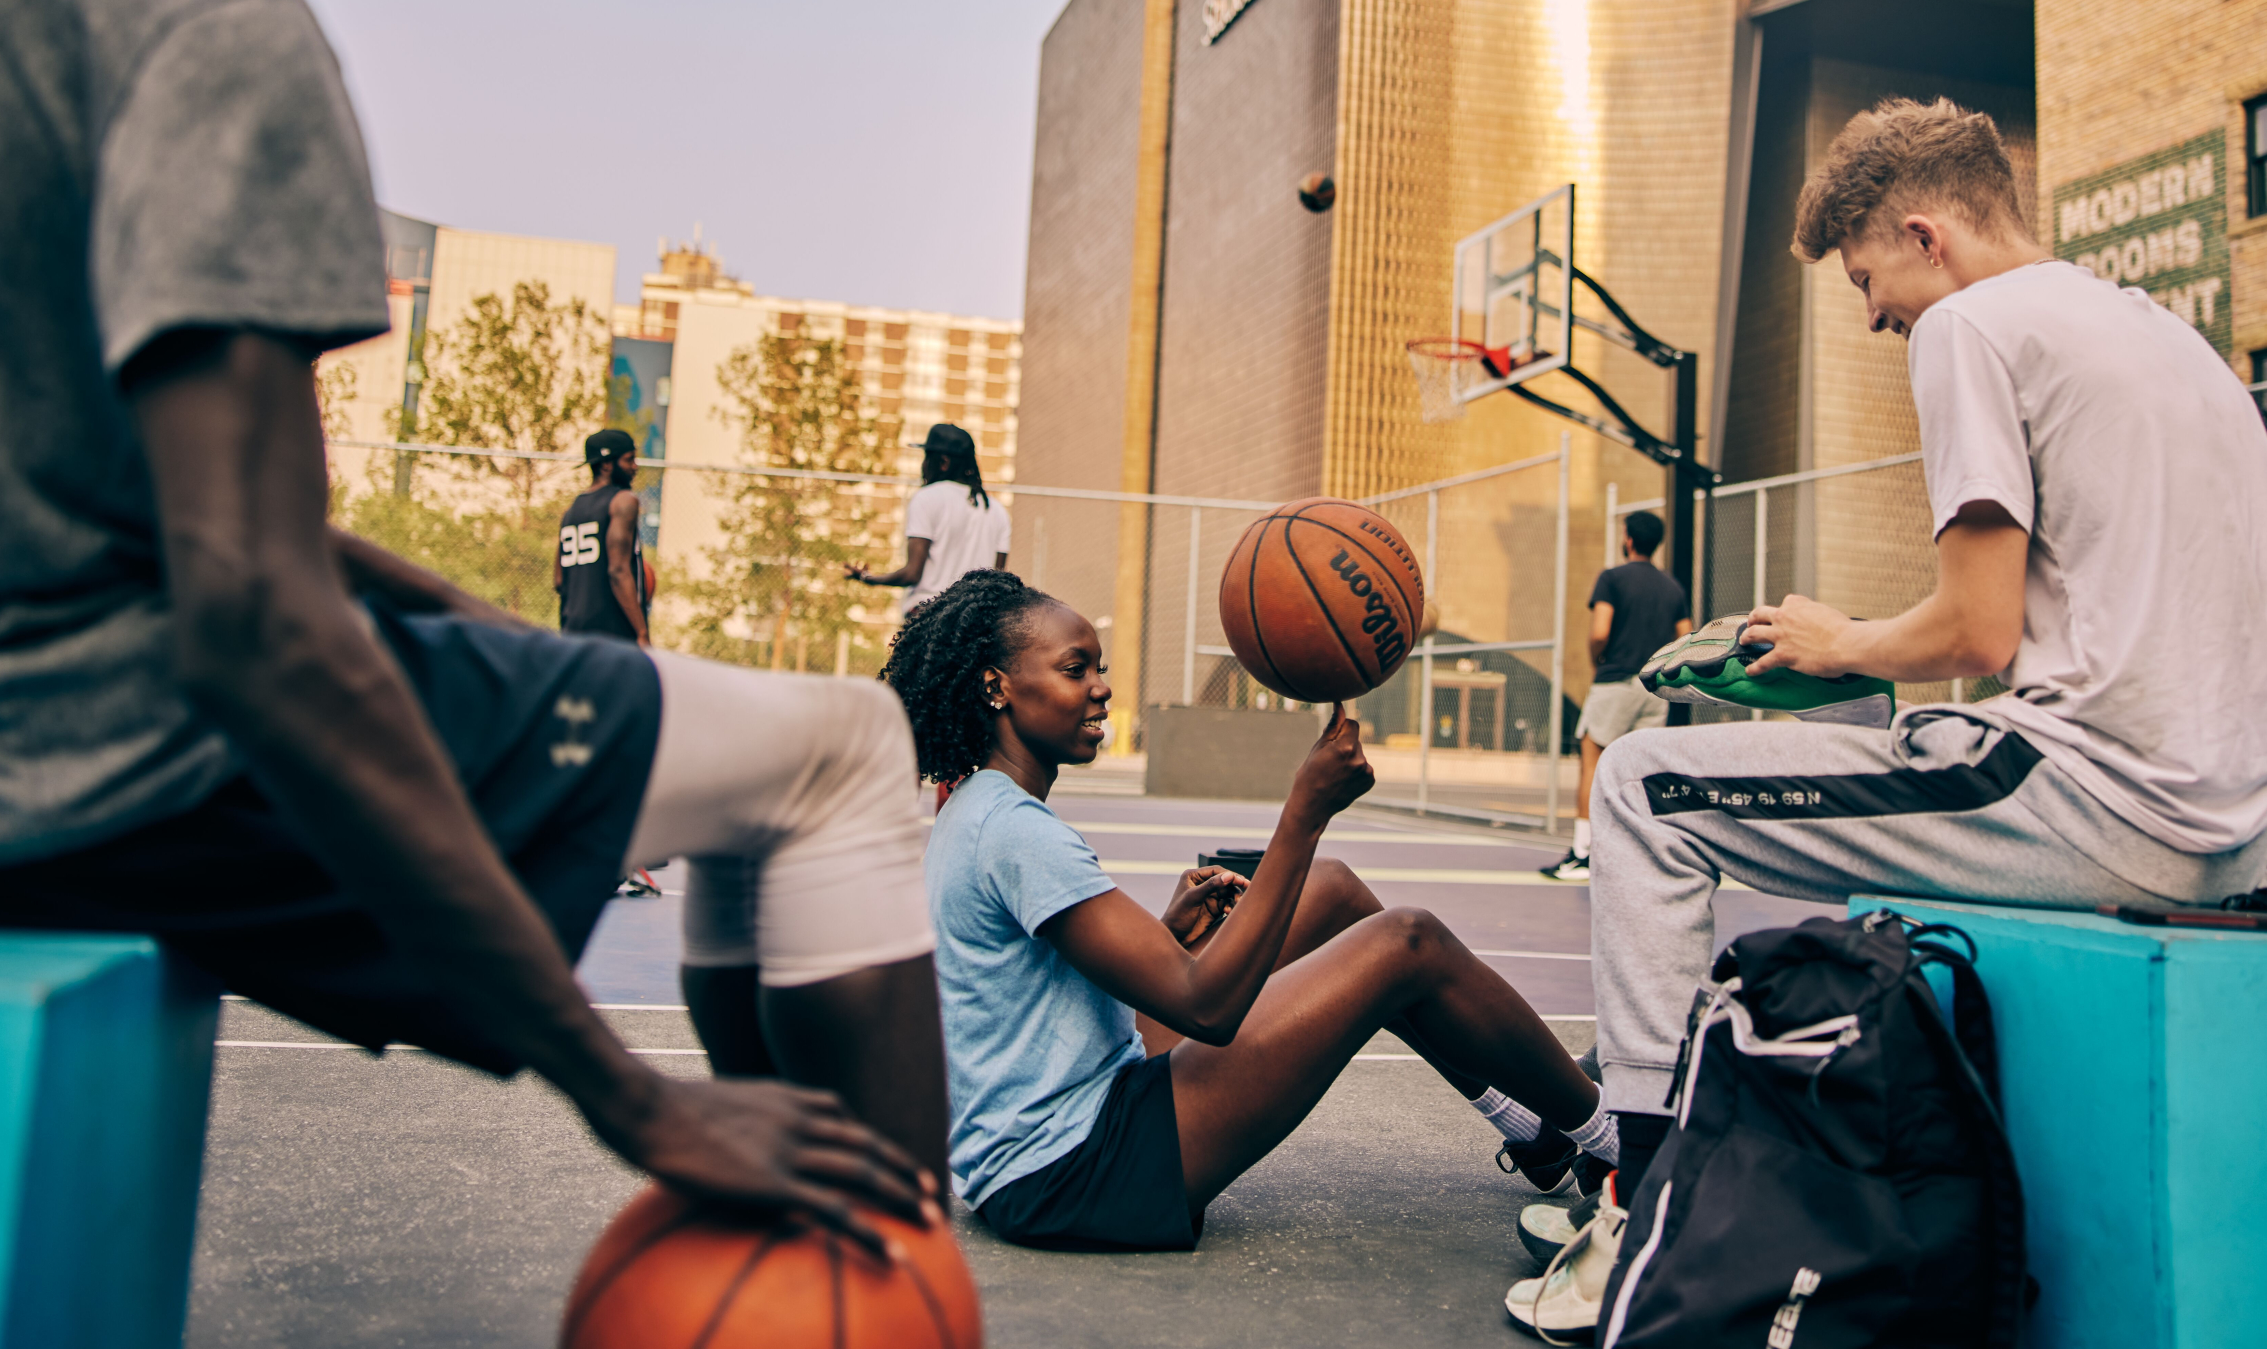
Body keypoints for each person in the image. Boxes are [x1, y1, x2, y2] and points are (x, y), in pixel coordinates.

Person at [0, 0, 948, 1246]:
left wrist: (482, 631)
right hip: (115, 772)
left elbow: (149, 498)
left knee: (686, 730)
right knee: (847, 744)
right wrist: (633, 1095)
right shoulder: (220, 19)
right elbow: (256, 621)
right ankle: (890, 1278)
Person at [1531, 99, 2267, 1333]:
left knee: (1646, 792)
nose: (1873, 316)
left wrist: (1841, 639)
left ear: (1926, 236)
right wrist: (1860, 664)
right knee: (1873, 726)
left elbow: (1972, 633)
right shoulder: (2164, 336)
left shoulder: (1972, 326)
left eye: (1869, 280)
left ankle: (1650, 1204)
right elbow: (2059, 622)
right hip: (2235, 819)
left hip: (2112, 800)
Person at [886, 570, 1616, 1251]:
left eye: (1100, 667)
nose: (1103, 688)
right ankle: (1621, 1143)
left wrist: (1167, 934)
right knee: (1408, 941)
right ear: (996, 688)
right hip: (1072, 1170)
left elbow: (1037, 982)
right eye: (1076, 669)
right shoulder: (1015, 830)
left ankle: (1534, 1134)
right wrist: (1304, 812)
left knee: (1328, 890)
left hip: (1066, 1116)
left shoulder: (984, 807)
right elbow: (1207, 1009)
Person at [1542, 510, 1688, 882]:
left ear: (1628, 539)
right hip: (1656, 688)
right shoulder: (1672, 587)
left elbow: (1599, 632)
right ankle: (1638, 852)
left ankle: (1583, 854)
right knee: (1638, 771)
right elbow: (1686, 637)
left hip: (1616, 680)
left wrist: (1598, 661)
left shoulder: (1612, 578)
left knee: (1591, 761)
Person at [845, 421, 1010, 613]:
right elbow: (997, 583)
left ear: (943, 463)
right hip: (974, 624)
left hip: (928, 617)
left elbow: (912, 574)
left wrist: (868, 578)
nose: (923, 465)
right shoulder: (997, 511)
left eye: (927, 458)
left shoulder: (927, 498)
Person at [558, 429, 649, 643]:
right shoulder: (623, 501)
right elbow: (618, 571)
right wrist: (642, 632)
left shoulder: (570, 512)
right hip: (611, 637)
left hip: (571, 635)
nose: (635, 467)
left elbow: (559, 580)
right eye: (629, 460)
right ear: (607, 465)